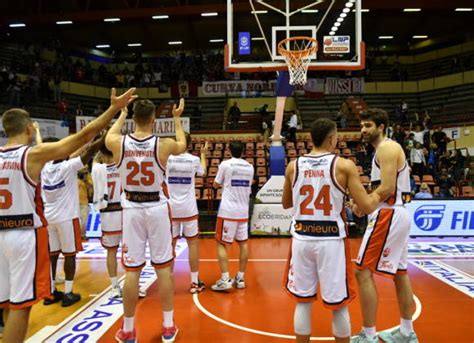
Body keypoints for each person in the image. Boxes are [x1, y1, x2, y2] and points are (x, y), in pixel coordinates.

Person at [0, 87, 137, 343]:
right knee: (21, 306)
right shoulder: (33, 155)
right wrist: (114, 110)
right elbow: (83, 137)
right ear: (29, 128)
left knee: (6, 303)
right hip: (24, 233)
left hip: (2, 235)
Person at [282, 118, 382, 343]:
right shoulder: (344, 165)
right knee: (338, 305)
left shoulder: (293, 165)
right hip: (331, 240)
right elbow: (365, 207)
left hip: (301, 238)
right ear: (330, 138)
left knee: (303, 301)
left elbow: (286, 203)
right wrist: (382, 191)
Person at [105, 98, 187, 342]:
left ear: (134, 119)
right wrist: (176, 118)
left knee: (132, 271)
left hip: (131, 208)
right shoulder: (164, 144)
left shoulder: (117, 142)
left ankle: (128, 330)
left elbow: (111, 132)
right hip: (157, 207)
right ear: (153, 119)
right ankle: (168, 326)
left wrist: (121, 113)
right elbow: (183, 144)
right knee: (163, 270)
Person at [352, 108, 418, 343]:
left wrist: (367, 203)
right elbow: (383, 187)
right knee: (400, 273)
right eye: (362, 126)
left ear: (381, 127)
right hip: (395, 213)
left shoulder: (387, 148)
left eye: (368, 125)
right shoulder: (382, 150)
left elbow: (388, 188)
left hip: (388, 214)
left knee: (362, 272)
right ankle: (406, 332)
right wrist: (364, 202)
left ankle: (368, 335)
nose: (363, 130)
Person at [41, 134, 107, 307]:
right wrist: (102, 139)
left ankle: (51, 291)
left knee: (53, 254)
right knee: (70, 254)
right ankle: (68, 292)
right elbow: (90, 152)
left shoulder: (44, 166)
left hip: (49, 217)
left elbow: (49, 149)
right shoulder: (68, 167)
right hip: (66, 217)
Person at [166, 135, 208, 293]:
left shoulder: (167, 158)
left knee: (170, 246)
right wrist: (203, 154)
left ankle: (167, 281)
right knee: (193, 245)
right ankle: (194, 282)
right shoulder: (194, 159)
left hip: (171, 209)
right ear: (189, 144)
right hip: (189, 209)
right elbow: (203, 173)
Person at [211, 141, 254, 292]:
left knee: (221, 243)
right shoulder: (250, 167)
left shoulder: (225, 164)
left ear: (229, 150)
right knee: (243, 244)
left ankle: (225, 279)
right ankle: (240, 278)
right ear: (243, 151)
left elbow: (216, 184)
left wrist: (221, 183)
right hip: (243, 211)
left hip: (228, 211)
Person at [92, 145, 124, 299]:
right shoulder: (123, 166)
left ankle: (115, 286)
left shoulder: (97, 169)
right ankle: (134, 285)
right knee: (130, 251)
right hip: (125, 213)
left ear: (102, 154)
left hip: (108, 215)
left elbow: (94, 162)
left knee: (111, 252)